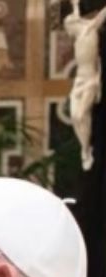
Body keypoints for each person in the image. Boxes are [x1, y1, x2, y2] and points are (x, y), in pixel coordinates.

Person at [64, 0, 106, 171]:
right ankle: (85, 147)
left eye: (70, 25)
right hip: (79, 79)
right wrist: (74, 5)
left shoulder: (90, 29)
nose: (68, 29)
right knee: (74, 116)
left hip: (91, 79)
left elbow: (101, 16)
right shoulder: (77, 34)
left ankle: (85, 151)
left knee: (81, 114)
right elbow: (73, 17)